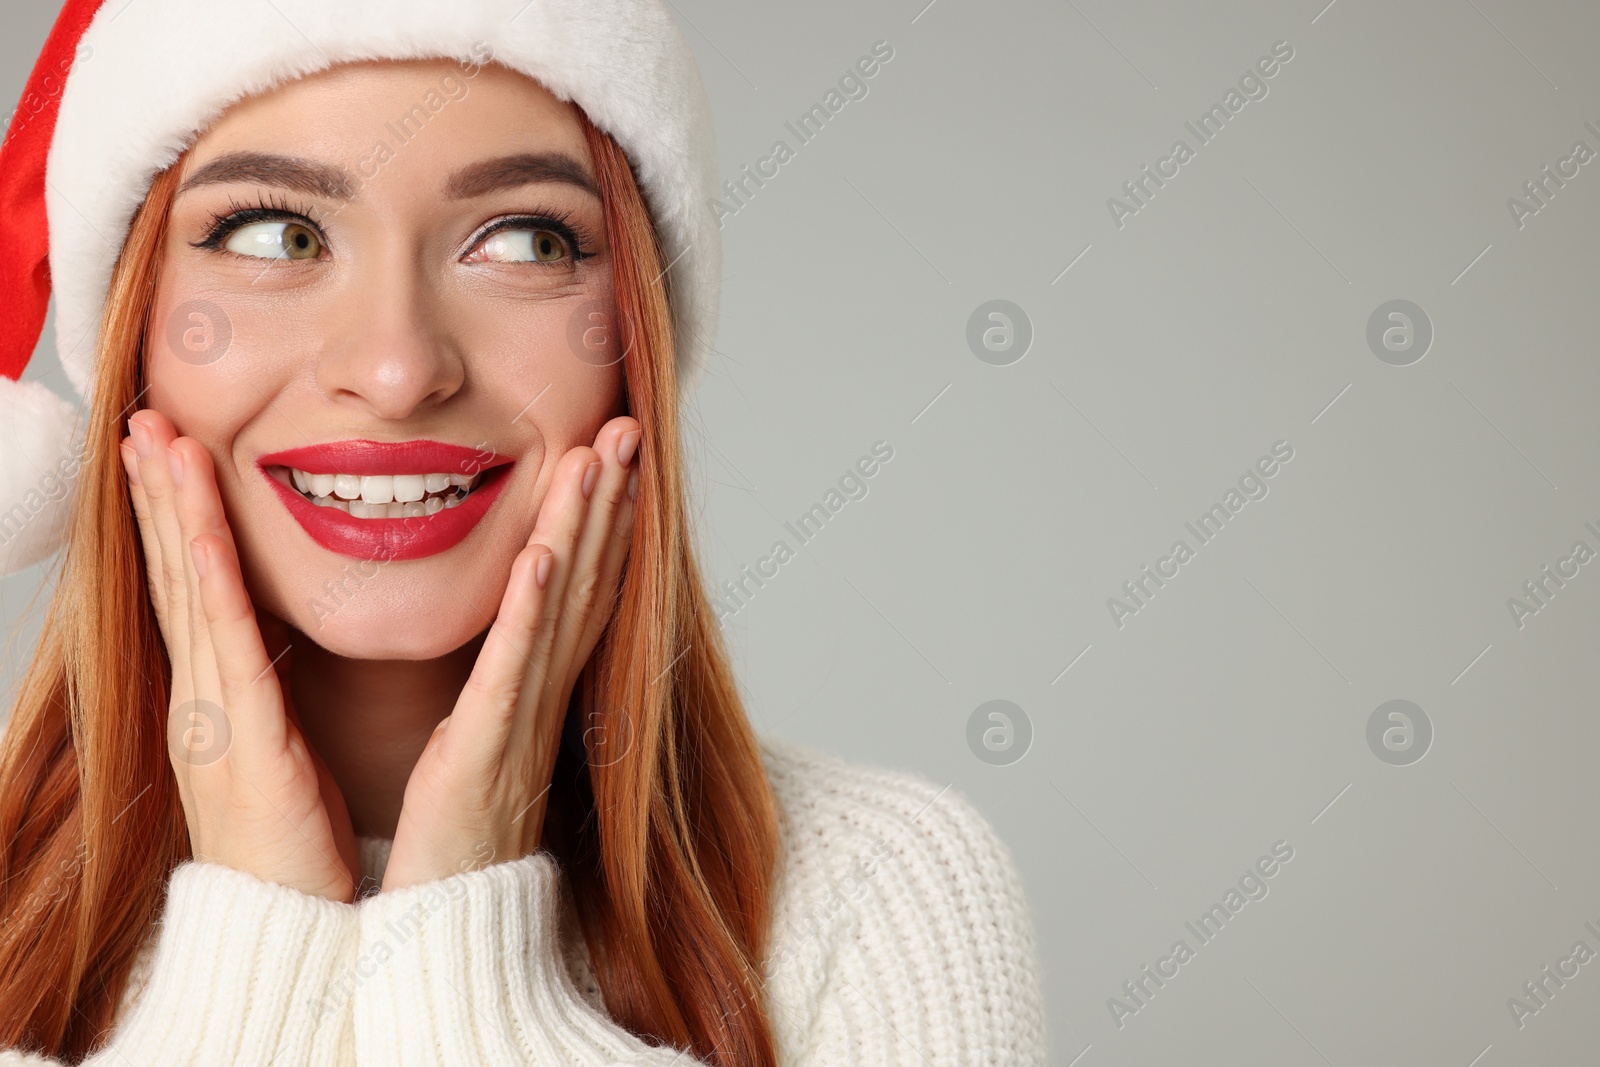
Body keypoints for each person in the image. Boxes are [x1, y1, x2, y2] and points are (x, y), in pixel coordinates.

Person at [0, 1, 1048, 1063]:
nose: (400, 368)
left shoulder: (876, 890)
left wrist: (468, 943)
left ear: (632, 339)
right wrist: (256, 932)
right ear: (136, 335)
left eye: (524, 240)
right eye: (278, 234)